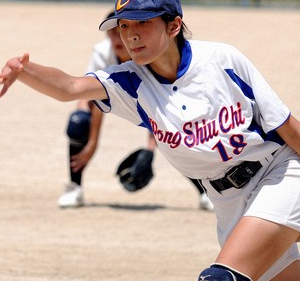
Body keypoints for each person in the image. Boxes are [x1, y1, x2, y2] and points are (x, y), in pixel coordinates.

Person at [0, 0, 300, 281]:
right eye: (124, 26)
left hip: (282, 175)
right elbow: (70, 86)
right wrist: (25, 71)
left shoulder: (222, 60)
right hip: (230, 205)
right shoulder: (131, 83)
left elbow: (290, 129)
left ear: (174, 25)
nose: (131, 35)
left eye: (142, 23)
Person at [60, 11, 214, 212]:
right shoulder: (103, 53)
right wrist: (92, 144)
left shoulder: (147, 51)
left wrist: (151, 147)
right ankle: (74, 187)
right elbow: (93, 98)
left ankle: (206, 191)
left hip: (153, 98)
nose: (117, 38)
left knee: (174, 134)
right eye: (113, 33)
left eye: (120, 31)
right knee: (78, 122)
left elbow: (161, 105)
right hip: (109, 95)